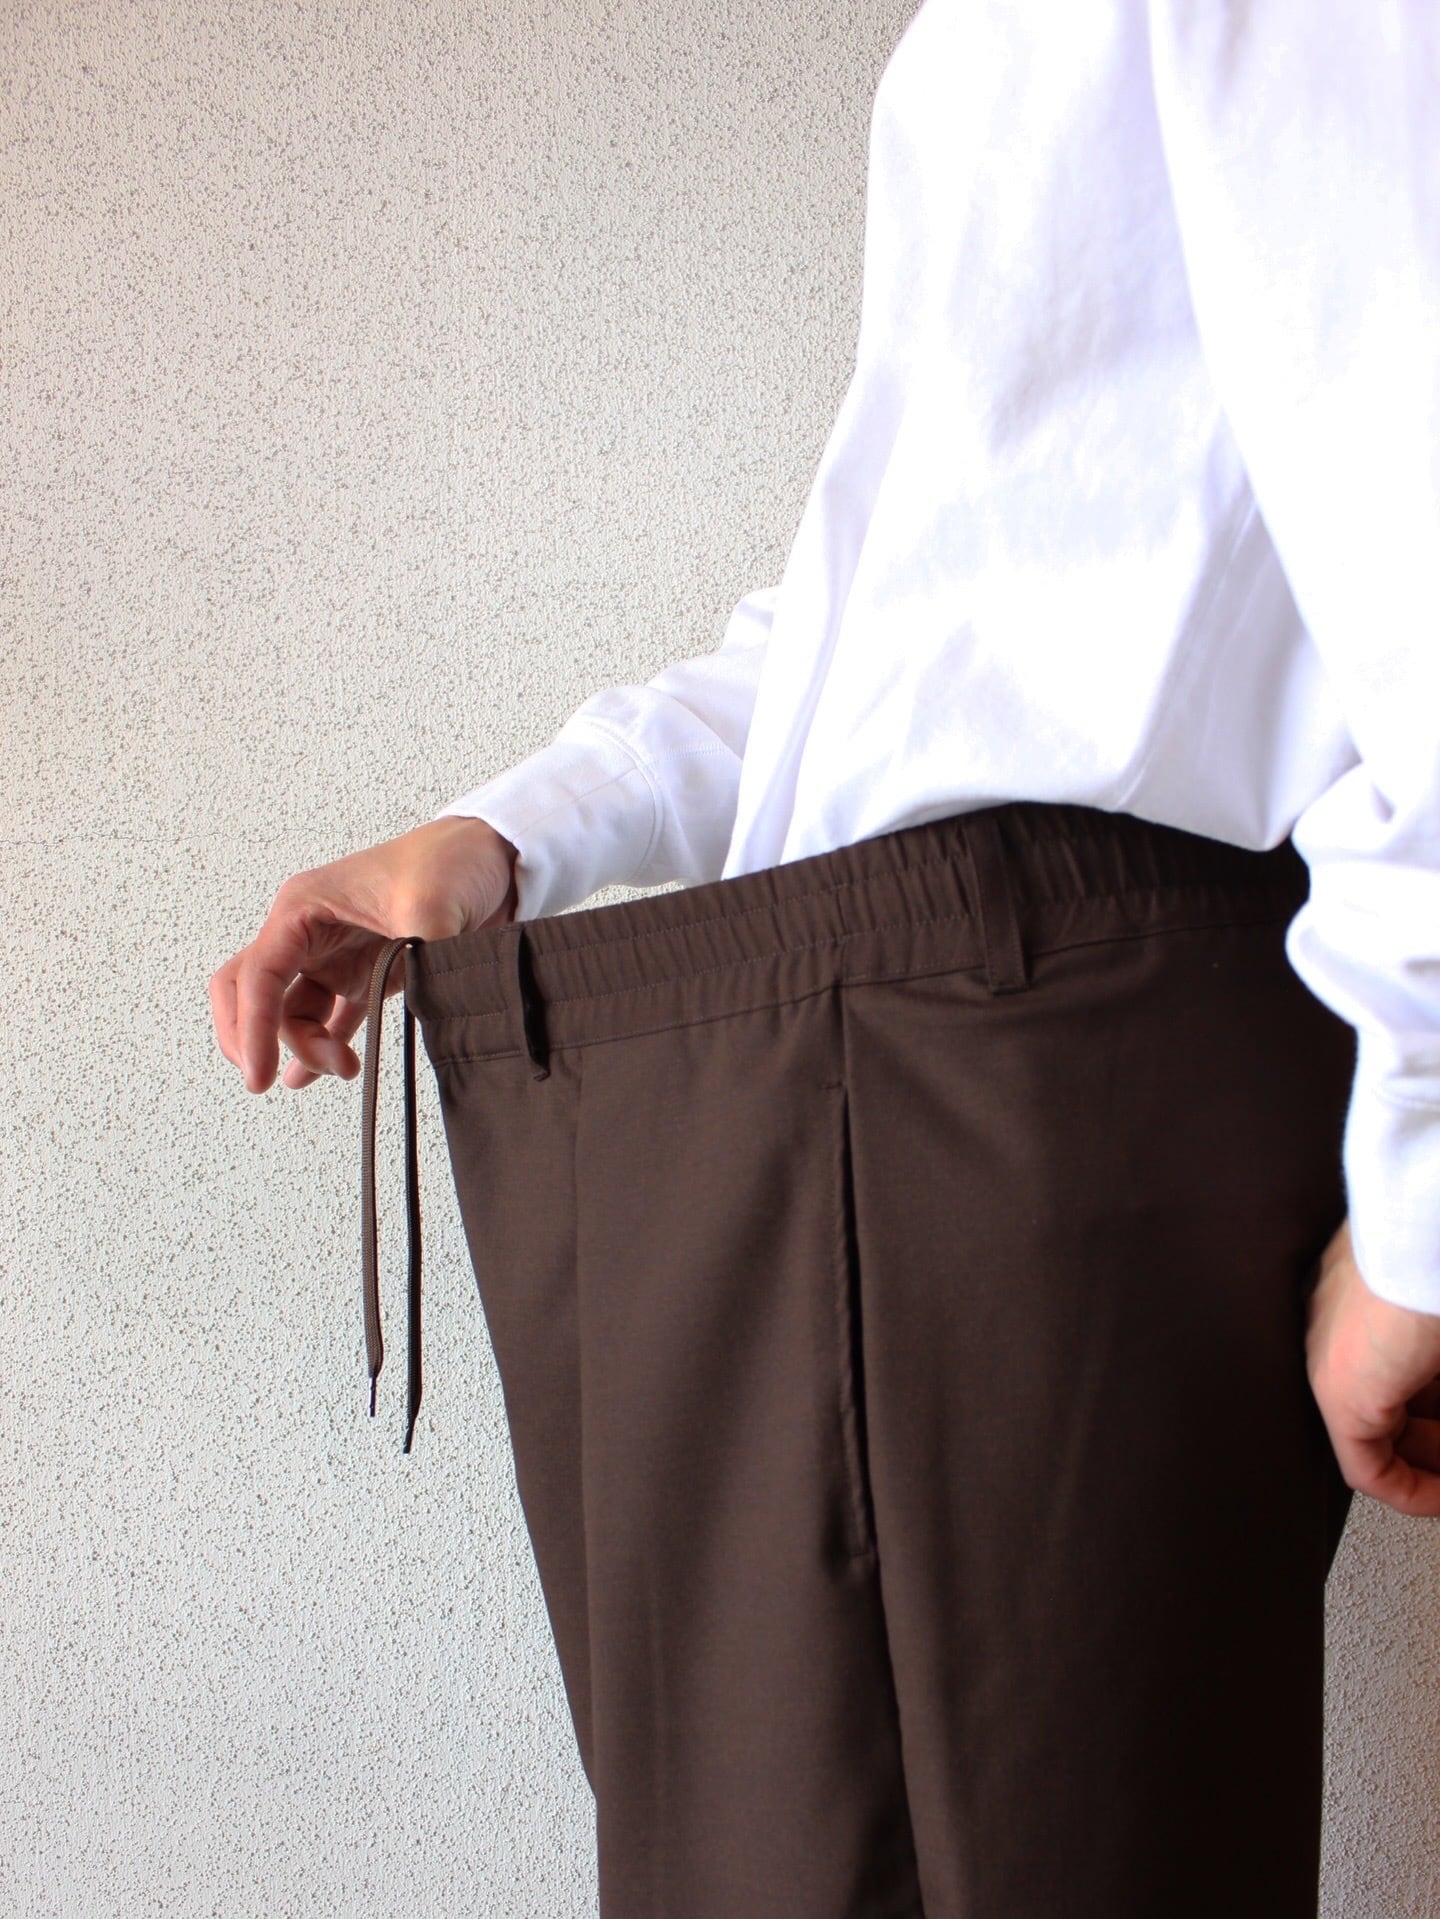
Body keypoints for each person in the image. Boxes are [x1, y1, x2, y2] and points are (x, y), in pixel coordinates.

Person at [210, 3, 1440, 1912]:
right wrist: (517, 832)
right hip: (910, 1063)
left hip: (997, 1080)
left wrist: (1426, 1203)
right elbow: (922, 603)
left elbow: (1411, 502)